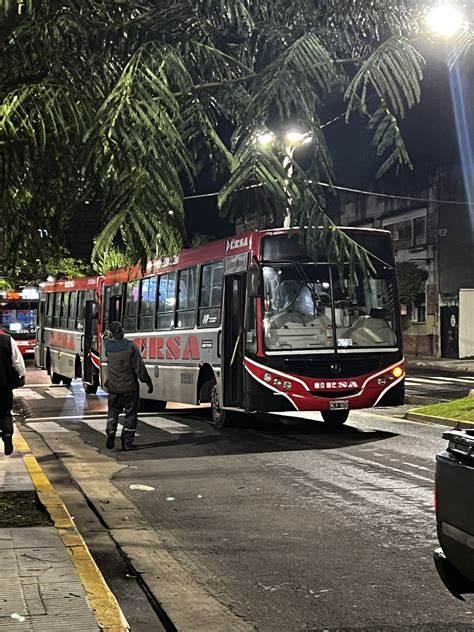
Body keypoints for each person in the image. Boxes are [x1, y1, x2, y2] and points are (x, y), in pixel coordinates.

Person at [104, 321, 153, 451]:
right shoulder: (131, 346)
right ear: (122, 332)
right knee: (131, 414)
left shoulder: (107, 346)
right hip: (130, 387)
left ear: (110, 334)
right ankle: (127, 442)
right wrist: (147, 381)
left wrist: (107, 334)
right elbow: (139, 367)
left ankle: (111, 430)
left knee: (113, 411)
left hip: (114, 387)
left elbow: (105, 338)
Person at [0, 328, 26, 455]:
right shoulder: (7, 340)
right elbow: (18, 362)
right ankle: (7, 434)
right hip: (4, 384)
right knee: (5, 412)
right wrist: (22, 375)